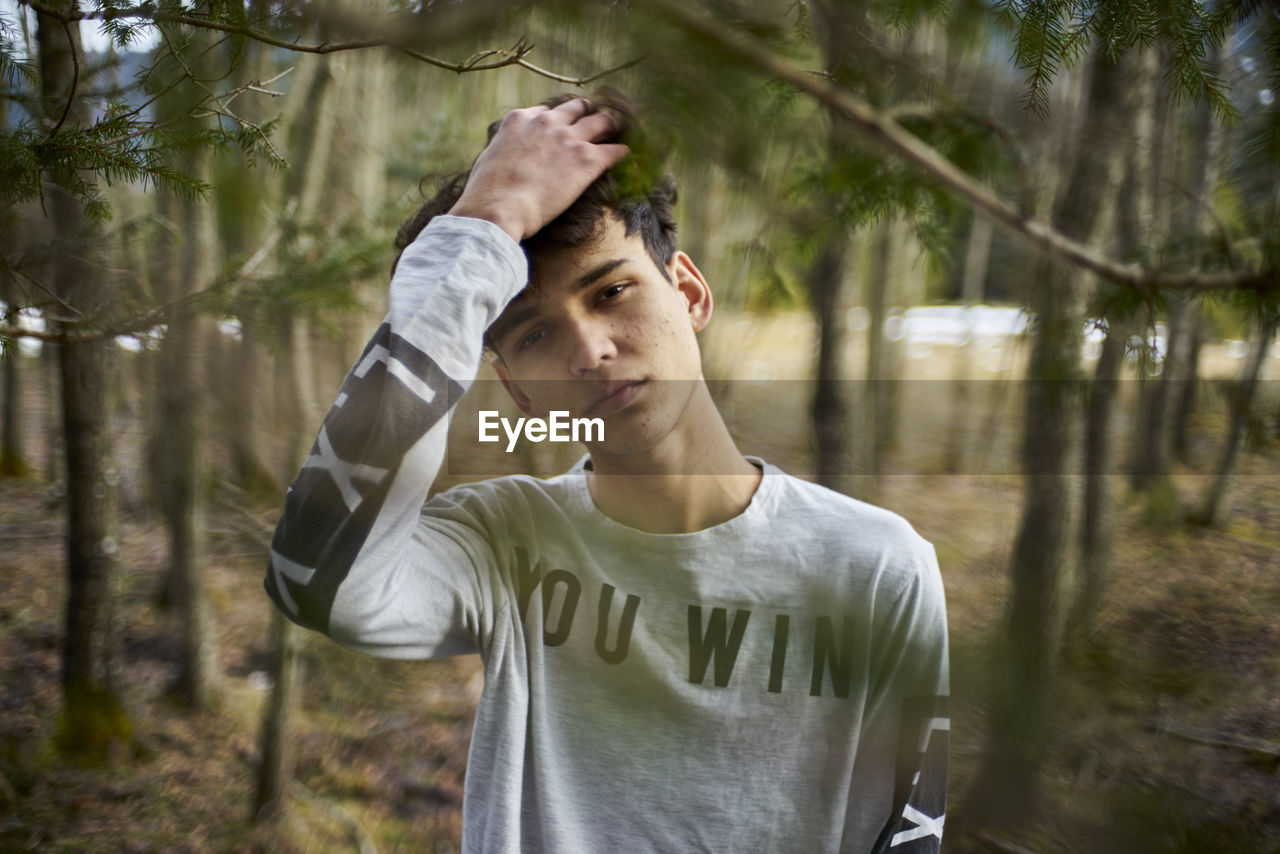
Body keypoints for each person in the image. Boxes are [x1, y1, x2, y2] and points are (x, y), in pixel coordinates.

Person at [265, 93, 949, 853]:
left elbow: (909, 835)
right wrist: (483, 227)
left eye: (612, 292)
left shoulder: (878, 566)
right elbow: (315, 578)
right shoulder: (507, 544)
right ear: (519, 391)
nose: (588, 349)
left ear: (688, 293)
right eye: (533, 335)